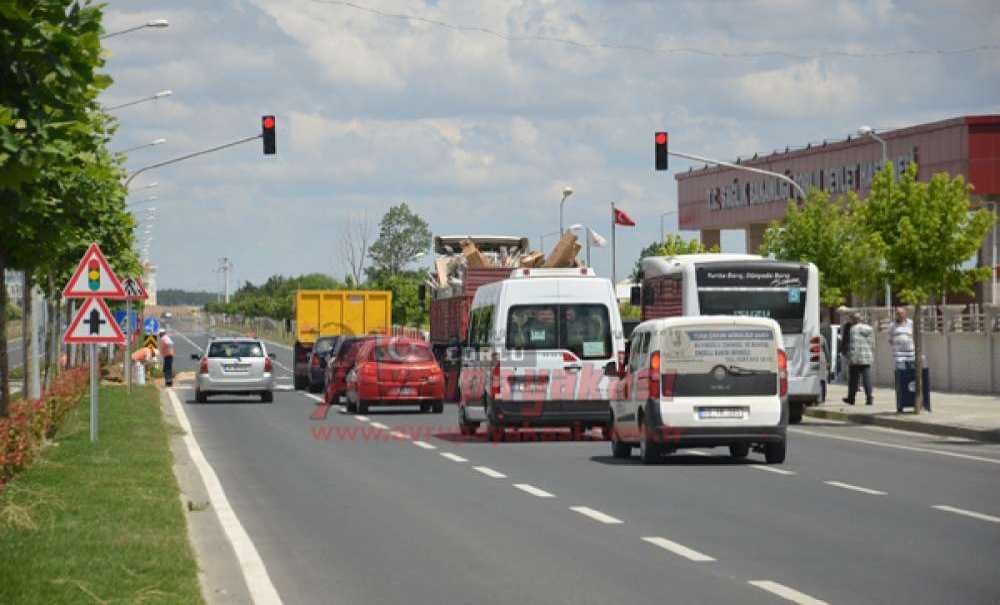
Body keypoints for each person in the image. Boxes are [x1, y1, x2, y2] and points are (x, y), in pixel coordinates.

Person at [843, 312, 874, 406]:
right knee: (867, 379)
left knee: (853, 379)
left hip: (855, 358)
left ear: (854, 320)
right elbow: (872, 343)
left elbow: (852, 345)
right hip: (866, 357)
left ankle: (851, 398)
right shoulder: (869, 329)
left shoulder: (852, 329)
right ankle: (869, 397)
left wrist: (849, 356)